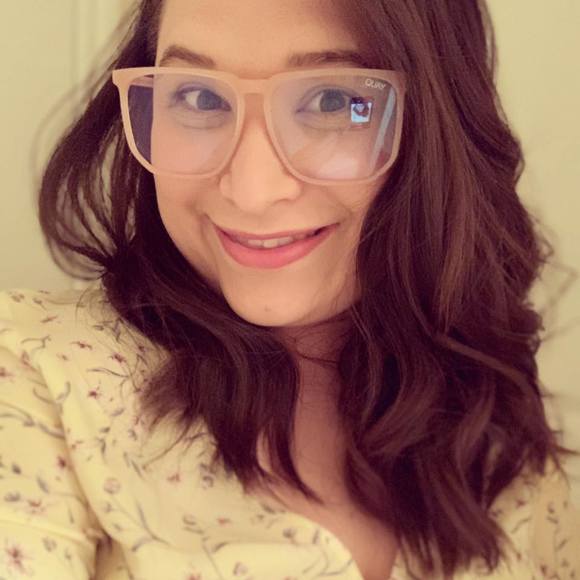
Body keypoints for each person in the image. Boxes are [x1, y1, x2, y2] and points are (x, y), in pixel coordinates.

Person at [0, 0, 579, 578]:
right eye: (199, 98)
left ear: (436, 125)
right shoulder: (34, 378)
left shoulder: (505, 450)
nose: (252, 190)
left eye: (331, 101)